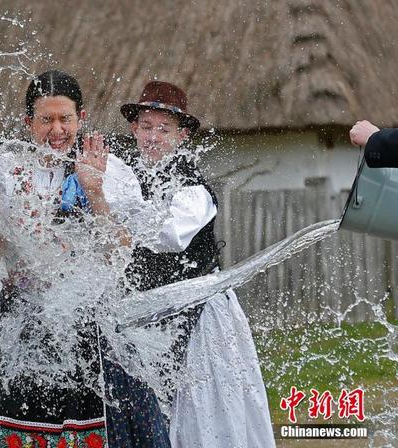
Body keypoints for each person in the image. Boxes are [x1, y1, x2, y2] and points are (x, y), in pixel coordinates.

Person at [0, 70, 170, 448]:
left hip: (83, 316)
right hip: (17, 318)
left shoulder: (109, 170)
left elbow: (120, 255)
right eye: (46, 119)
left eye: (65, 119)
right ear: (29, 123)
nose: (57, 130)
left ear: (80, 118)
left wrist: (95, 191)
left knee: (123, 408)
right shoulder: (5, 170)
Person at [112, 81, 276, 448]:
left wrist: (115, 217)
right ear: (134, 129)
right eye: (146, 126)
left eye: (164, 129)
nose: (153, 137)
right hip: (148, 313)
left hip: (199, 312)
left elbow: (170, 237)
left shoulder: (193, 187)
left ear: (182, 135)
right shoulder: (125, 179)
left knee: (203, 410)